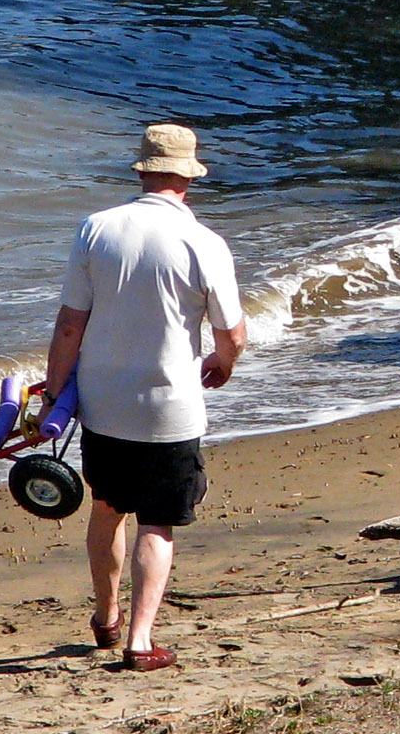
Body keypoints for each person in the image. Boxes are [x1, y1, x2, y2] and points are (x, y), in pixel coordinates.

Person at [41, 123, 246, 671]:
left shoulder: (96, 229)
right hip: (170, 407)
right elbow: (233, 334)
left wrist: (53, 395)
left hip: (103, 402)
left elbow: (68, 326)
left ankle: (104, 619)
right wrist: (221, 365)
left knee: (107, 509)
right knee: (158, 521)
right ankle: (139, 640)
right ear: (188, 178)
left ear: (143, 171)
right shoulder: (204, 242)